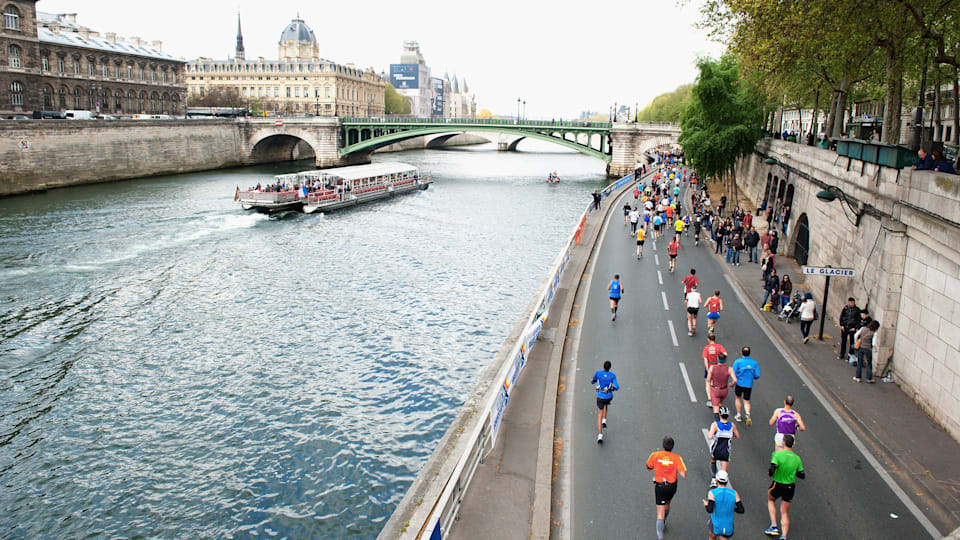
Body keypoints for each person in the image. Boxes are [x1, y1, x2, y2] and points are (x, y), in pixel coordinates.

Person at [647, 436, 688, 540]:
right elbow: (683, 474)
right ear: (672, 447)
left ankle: (660, 536)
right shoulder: (677, 458)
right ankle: (664, 520)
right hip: (672, 486)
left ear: (663, 445)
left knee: (659, 512)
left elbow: (648, 467)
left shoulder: (655, 455)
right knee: (668, 503)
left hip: (660, 486)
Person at [765, 434, 805, 539]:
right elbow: (802, 475)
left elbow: (772, 468)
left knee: (770, 499)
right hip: (790, 487)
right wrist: (793, 470)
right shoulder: (797, 458)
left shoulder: (778, 455)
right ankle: (784, 536)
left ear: (783, 443)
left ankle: (774, 526)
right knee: (784, 511)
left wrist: (770, 473)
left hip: (777, 483)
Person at [704, 469, 744, 540]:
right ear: (727, 481)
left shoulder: (712, 493)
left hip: (715, 523)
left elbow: (709, 509)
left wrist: (706, 505)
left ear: (716, 480)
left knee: (712, 537)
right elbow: (741, 509)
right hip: (728, 525)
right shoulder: (734, 493)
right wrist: (733, 508)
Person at [591, 360, 619, 443]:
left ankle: (600, 434)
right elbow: (617, 387)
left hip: (600, 397)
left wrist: (594, 381)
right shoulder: (612, 376)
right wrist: (612, 387)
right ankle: (604, 419)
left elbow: (593, 381)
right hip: (608, 397)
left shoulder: (598, 373)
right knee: (606, 404)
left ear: (603, 366)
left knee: (599, 413)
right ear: (609, 367)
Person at [707, 406, 740, 476]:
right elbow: (737, 436)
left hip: (716, 449)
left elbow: (709, 437)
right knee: (723, 471)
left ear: (720, 414)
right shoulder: (732, 425)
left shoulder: (715, 425)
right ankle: (722, 480)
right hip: (726, 451)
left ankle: (713, 478)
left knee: (713, 460)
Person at [732, 347, 760, 425]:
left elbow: (733, 372)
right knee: (746, 401)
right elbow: (757, 375)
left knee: (738, 398)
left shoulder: (738, 362)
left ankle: (738, 415)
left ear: (742, 352)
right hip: (748, 385)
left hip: (739, 383)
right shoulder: (754, 363)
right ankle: (747, 414)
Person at [702, 333, 728, 408]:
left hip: (710, 366)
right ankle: (718, 399)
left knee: (708, 382)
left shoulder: (706, 348)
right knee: (717, 382)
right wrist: (721, 360)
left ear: (708, 339)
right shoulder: (719, 347)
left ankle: (710, 399)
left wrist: (707, 368)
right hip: (718, 366)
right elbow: (725, 354)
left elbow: (705, 359)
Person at [708, 353, 737, 417]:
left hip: (715, 389)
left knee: (715, 408)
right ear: (725, 360)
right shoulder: (729, 369)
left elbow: (708, 379)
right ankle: (723, 417)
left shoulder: (712, 367)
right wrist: (731, 385)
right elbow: (735, 380)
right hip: (724, 390)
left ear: (718, 359)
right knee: (720, 403)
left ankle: (718, 423)